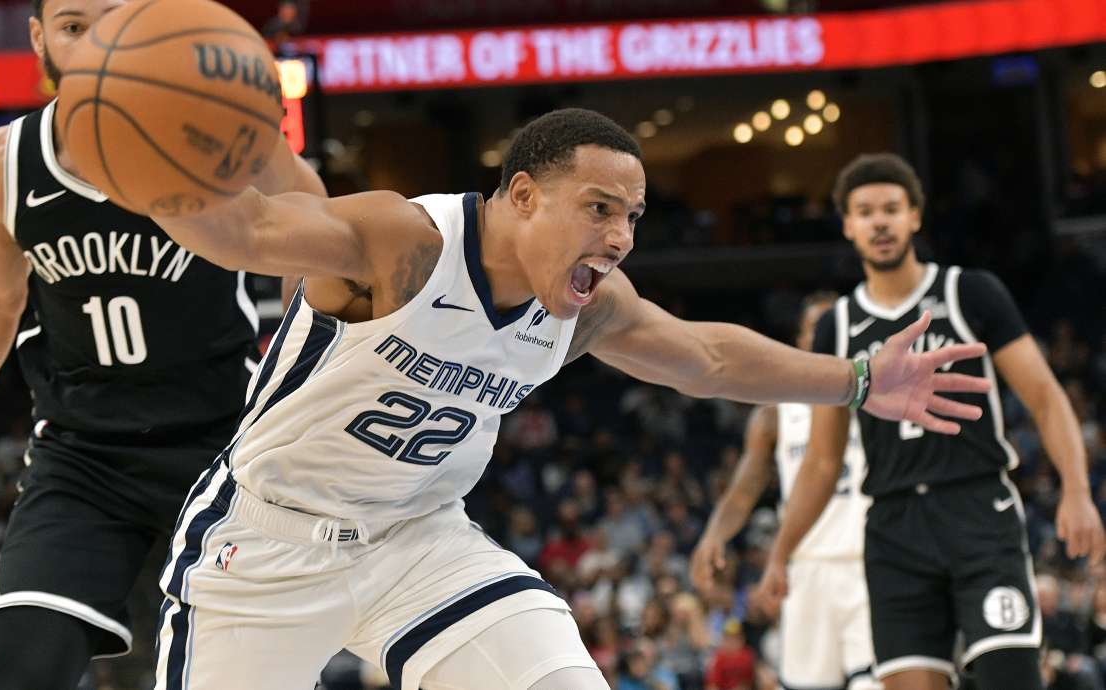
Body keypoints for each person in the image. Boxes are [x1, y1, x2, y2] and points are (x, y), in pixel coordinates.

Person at [145, 109, 989, 690]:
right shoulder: (403, 243)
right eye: (599, 208)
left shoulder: (584, 308)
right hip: (266, 545)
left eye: (633, 216)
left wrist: (863, 379)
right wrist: (122, 144)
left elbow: (707, 357)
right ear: (522, 196)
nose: (620, 237)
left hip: (419, 543)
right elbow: (245, 230)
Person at [0, 2, 325, 689]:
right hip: (83, 452)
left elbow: (313, 222)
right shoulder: (1, 164)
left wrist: (298, 378)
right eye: (73, 27)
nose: (96, 48)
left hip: (223, 442)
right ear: (41, 42)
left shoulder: (215, 136)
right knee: (25, 662)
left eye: (115, 23)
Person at [760, 153, 1106, 690]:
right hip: (894, 530)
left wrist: (1077, 490)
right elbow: (824, 460)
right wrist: (782, 553)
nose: (880, 221)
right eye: (866, 211)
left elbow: (1044, 396)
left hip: (977, 512)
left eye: (892, 209)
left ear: (915, 217)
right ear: (848, 225)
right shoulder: (838, 325)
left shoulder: (971, 293)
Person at [692, 292, 879, 690]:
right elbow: (743, 492)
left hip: (870, 561)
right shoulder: (775, 413)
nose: (830, 335)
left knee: (872, 682)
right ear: (801, 341)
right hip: (803, 565)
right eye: (819, 327)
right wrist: (714, 535)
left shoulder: (879, 402)